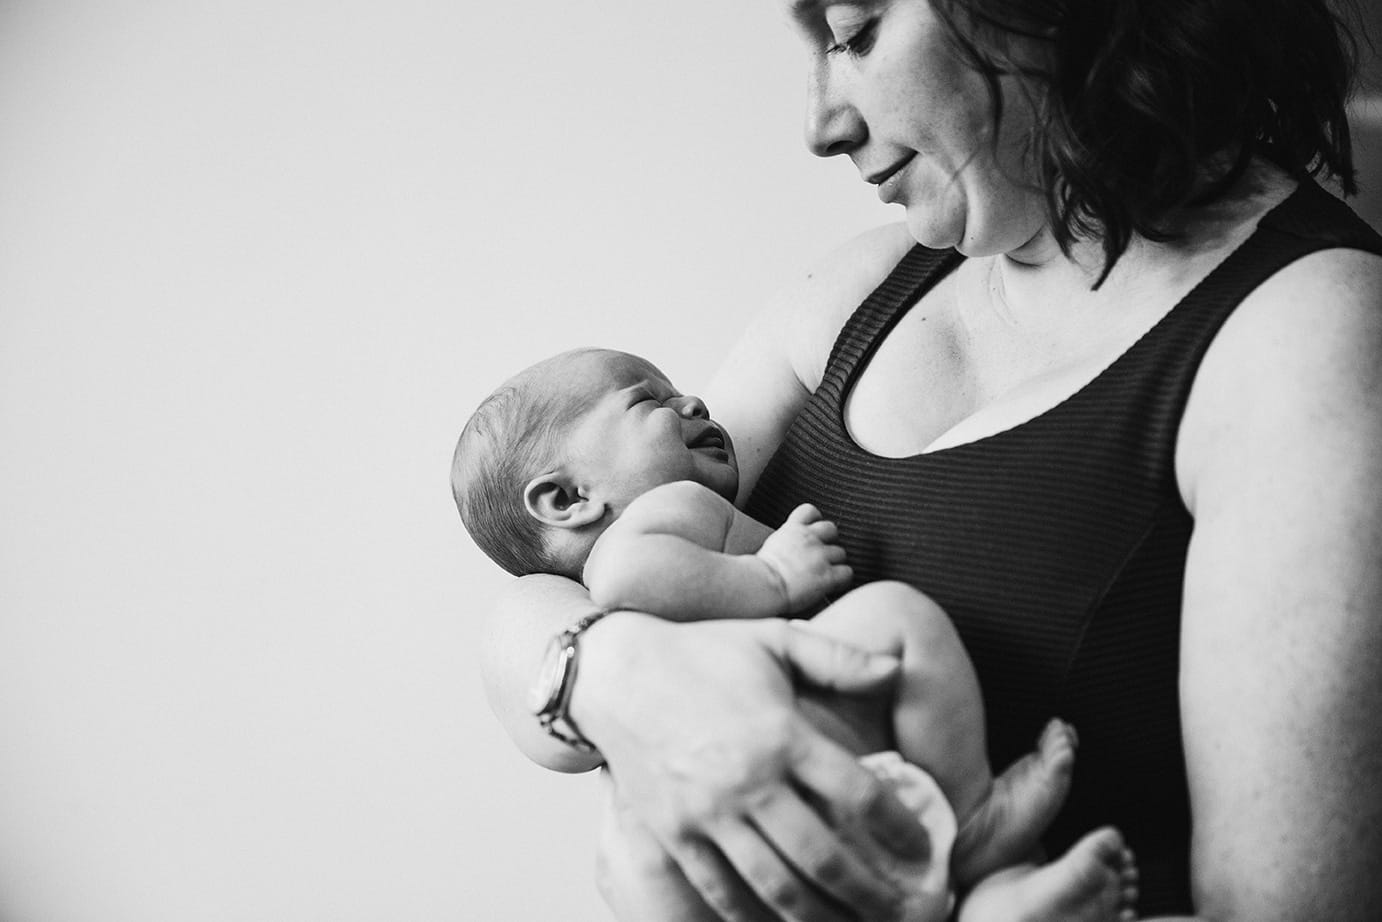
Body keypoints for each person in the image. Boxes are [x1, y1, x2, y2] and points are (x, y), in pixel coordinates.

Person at [478, 0, 1382, 919]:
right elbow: (555, 575)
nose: (821, 126)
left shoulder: (1309, 337)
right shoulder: (865, 284)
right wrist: (616, 675)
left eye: (855, 30)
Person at [454, 345, 1140, 921]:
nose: (692, 403)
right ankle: (975, 819)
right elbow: (640, 581)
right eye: (648, 400)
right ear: (567, 499)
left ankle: (997, 898)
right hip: (773, 756)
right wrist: (775, 581)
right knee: (896, 616)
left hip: (749, 824)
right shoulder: (650, 523)